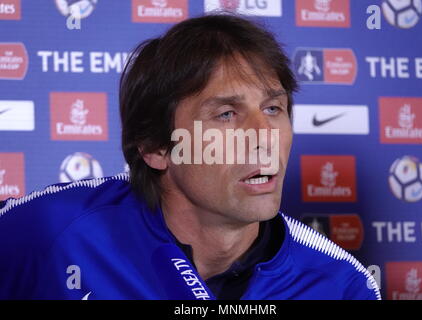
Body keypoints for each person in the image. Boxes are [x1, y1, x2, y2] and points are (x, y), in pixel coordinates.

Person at [0, 13, 381, 300]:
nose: (264, 138)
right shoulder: (55, 230)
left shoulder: (340, 283)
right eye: (226, 115)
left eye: (273, 109)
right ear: (154, 148)